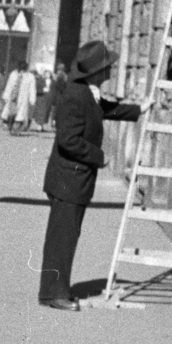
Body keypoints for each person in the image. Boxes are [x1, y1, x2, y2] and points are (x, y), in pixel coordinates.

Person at [38, 40, 142, 311]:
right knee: (62, 238)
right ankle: (54, 294)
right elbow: (68, 140)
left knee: (65, 236)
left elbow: (105, 108)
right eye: (108, 66)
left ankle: (55, 290)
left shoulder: (87, 92)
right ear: (96, 71)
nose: (111, 70)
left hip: (73, 179)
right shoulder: (75, 95)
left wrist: (139, 109)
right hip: (68, 180)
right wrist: (99, 156)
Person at [12, 65, 36, 133]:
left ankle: (16, 129)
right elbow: (32, 89)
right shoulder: (30, 77)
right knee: (21, 114)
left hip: (17, 98)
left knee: (18, 113)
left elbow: (13, 86)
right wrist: (32, 99)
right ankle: (16, 129)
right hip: (24, 98)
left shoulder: (17, 75)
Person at [0, 65, 21, 131]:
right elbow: (11, 85)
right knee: (9, 110)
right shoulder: (15, 74)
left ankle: (7, 123)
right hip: (11, 95)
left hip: (12, 95)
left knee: (10, 110)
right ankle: (6, 123)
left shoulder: (14, 74)